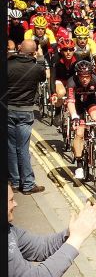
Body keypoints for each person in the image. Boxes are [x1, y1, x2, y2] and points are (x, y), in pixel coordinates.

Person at [7, 40, 48, 194]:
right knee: (23, 148)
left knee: (10, 146)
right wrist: (40, 58)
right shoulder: (36, 68)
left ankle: (15, 182)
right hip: (25, 111)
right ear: (33, 52)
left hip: (8, 110)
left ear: (19, 49)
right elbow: (44, 77)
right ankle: (28, 184)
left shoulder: (8, 65)